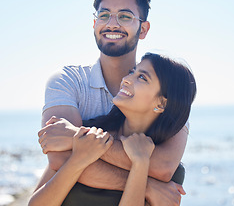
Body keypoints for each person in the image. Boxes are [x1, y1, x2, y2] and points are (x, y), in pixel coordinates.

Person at [37, 0, 191, 205]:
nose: (112, 24)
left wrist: (74, 137)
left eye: (125, 17)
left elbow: (162, 168)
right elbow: (59, 158)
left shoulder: (165, 88)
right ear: (94, 23)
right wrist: (147, 184)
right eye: (104, 15)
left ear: (144, 29)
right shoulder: (68, 80)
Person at [29, 53, 196, 206]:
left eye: (142, 78)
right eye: (132, 72)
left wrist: (141, 164)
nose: (127, 79)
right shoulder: (86, 133)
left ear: (161, 103)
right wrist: (79, 157)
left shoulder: (170, 179)